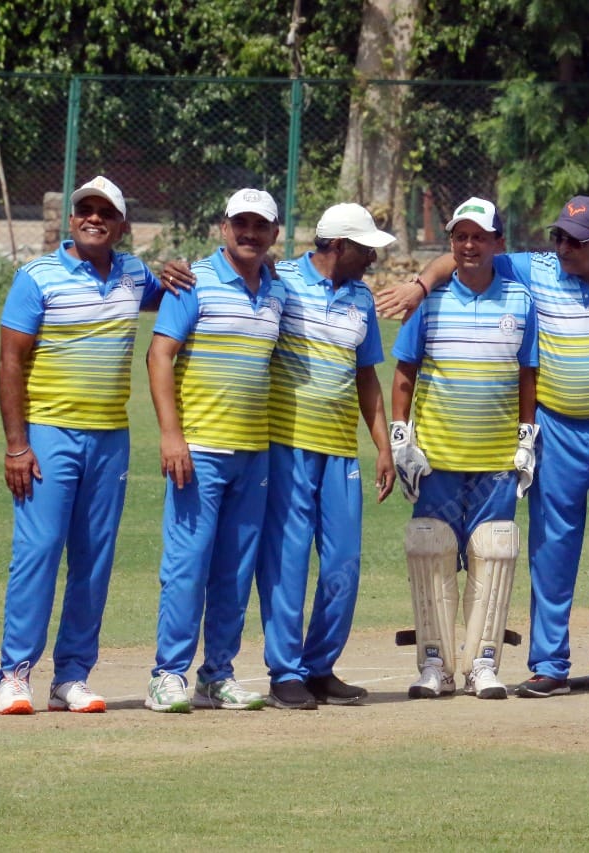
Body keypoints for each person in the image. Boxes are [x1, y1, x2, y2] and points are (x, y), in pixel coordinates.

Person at [379, 196, 589, 701]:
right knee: (544, 553)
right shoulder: (536, 271)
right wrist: (420, 284)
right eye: (558, 237)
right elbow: (460, 257)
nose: (564, 247)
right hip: (554, 432)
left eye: (577, 239)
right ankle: (543, 664)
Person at [0, 176, 167, 715]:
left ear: (121, 225)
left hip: (111, 437)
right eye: (85, 211)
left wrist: (183, 274)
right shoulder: (37, 276)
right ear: (72, 220)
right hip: (47, 435)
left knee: (94, 560)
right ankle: (15, 673)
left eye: (105, 212)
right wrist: (17, 445)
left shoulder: (135, 274)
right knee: (39, 552)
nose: (94, 218)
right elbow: (10, 363)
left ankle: (71, 676)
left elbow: (178, 295)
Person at [391, 197, 538, 701]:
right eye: (460, 236)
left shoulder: (520, 300)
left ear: (499, 243)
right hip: (438, 458)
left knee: (494, 553)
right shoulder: (427, 300)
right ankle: (435, 665)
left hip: (496, 461)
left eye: (480, 236)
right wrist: (399, 437)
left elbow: (527, 375)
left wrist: (526, 437)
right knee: (431, 549)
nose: (469, 245)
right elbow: (405, 373)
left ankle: (482, 664)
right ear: (451, 242)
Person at [145, 188, 286, 713]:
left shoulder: (277, 291)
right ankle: (168, 674)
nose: (249, 233)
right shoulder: (193, 282)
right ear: (222, 228)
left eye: (260, 225)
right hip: (198, 449)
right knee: (187, 566)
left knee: (235, 570)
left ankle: (216, 675)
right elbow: (159, 357)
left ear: (274, 233)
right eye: (239, 223)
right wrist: (171, 435)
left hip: (254, 452)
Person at [252, 204, 397, 709]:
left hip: (340, 449)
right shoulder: (282, 280)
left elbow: (366, 376)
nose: (373, 258)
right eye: (366, 249)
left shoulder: (360, 297)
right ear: (336, 245)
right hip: (286, 444)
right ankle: (285, 672)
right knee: (288, 562)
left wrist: (383, 446)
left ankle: (320, 666)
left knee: (343, 561)